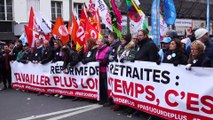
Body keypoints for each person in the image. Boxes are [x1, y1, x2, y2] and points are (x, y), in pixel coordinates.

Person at [96, 38, 110, 105]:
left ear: (103, 42)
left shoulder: (107, 48)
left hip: (104, 70)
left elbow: (106, 59)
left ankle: (107, 100)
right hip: (99, 70)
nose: (98, 43)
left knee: (105, 86)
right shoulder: (98, 49)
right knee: (101, 85)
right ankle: (102, 99)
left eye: (99, 41)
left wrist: (100, 63)